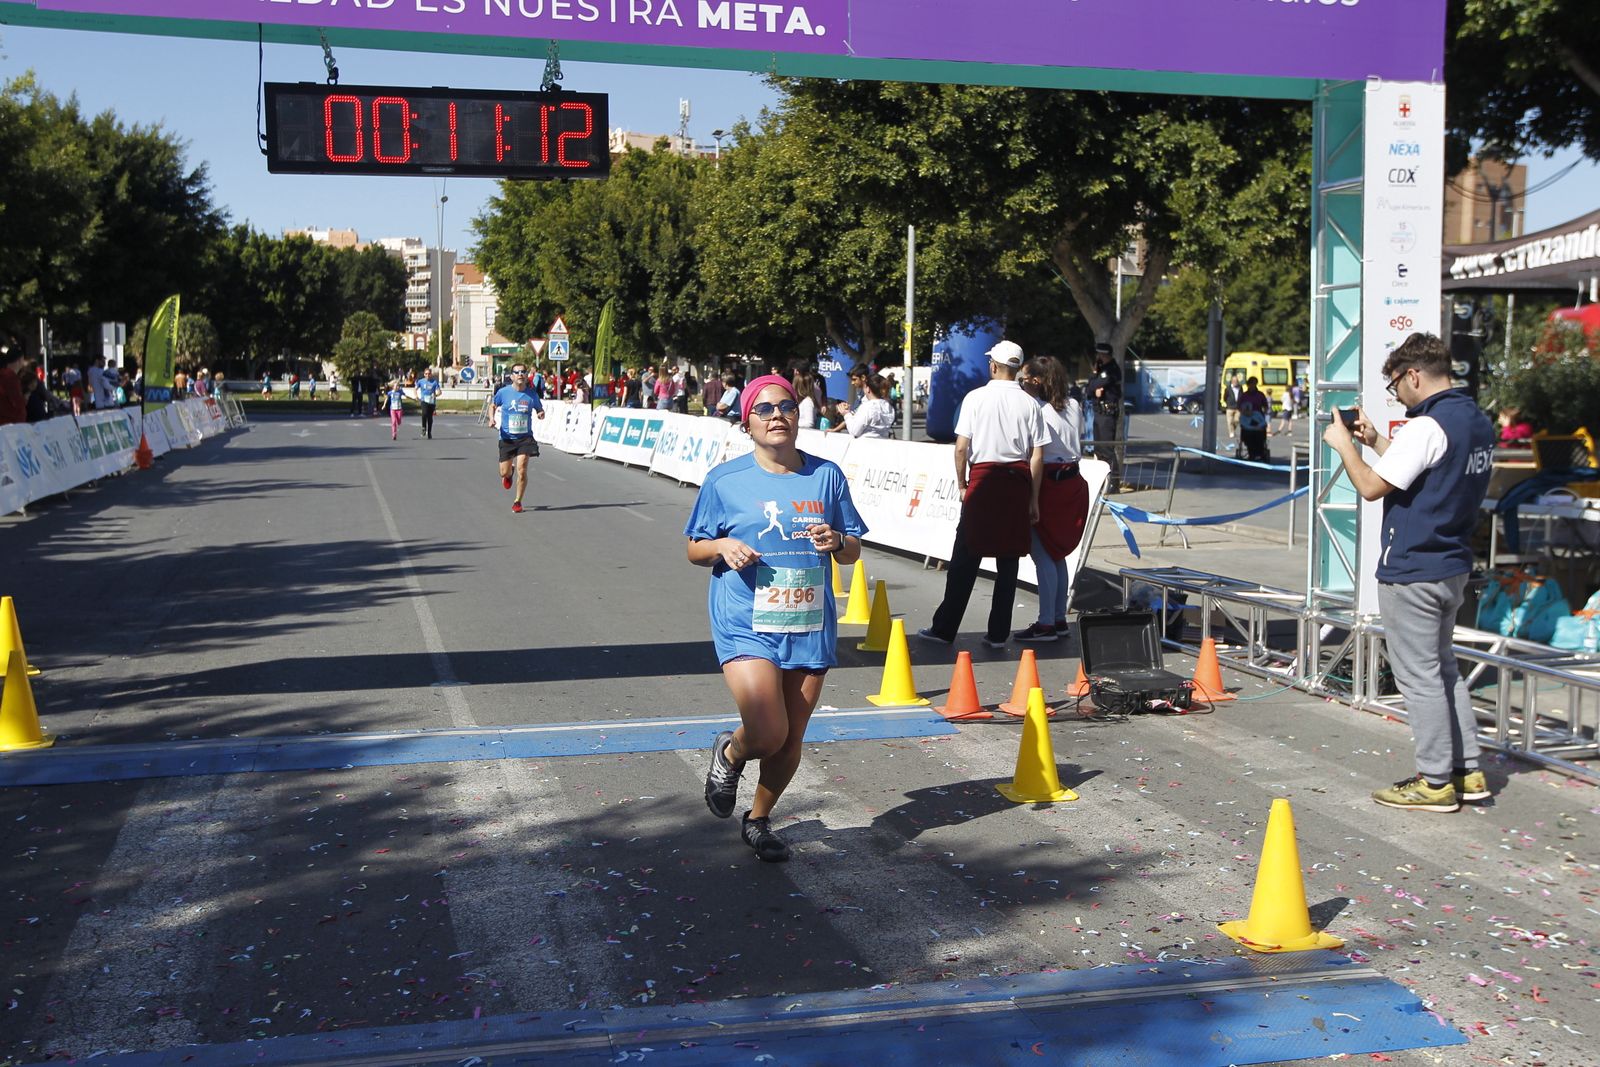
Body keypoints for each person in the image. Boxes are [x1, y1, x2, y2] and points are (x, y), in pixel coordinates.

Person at [686, 373, 867, 863]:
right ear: (747, 422)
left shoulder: (826, 476)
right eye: (764, 409)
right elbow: (694, 547)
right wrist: (721, 545)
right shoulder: (725, 480)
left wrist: (838, 543)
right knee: (767, 731)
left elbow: (851, 549)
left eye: (785, 406)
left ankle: (760, 819)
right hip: (745, 617)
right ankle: (731, 753)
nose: (777, 416)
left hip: (808, 619)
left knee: (791, 739)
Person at [1322, 332, 1495, 813]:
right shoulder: (1474, 421)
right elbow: (1427, 473)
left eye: (1395, 384)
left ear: (1414, 375)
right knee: (1443, 670)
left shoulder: (1427, 426)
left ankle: (1435, 780)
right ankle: (1467, 770)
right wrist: (1376, 440)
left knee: (1418, 678)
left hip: (1414, 566)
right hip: (1452, 562)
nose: (1396, 393)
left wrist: (1343, 446)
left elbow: (1373, 487)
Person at [917, 340, 1046, 649]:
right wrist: (1034, 499)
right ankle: (999, 633)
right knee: (1009, 559)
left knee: (966, 555)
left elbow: (961, 447)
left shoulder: (975, 398)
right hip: (1016, 481)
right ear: (1017, 369)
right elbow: (1037, 456)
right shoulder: (1030, 403)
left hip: (984, 479)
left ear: (993, 366)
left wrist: (962, 484)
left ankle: (945, 628)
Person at [1012, 356, 1089, 642]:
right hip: (1072, 482)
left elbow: (1035, 453)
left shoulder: (1036, 409)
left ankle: (1046, 622)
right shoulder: (1074, 406)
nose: (1022, 382)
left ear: (1037, 381)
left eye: (1026, 378)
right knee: (1057, 554)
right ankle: (1057, 618)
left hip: (1049, 483)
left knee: (1042, 552)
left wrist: (1030, 496)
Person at [491, 364, 546, 514]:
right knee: (504, 473)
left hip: (525, 438)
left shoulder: (532, 394)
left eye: (523, 372)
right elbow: (493, 405)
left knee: (523, 470)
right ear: (512, 376)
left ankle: (518, 501)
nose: (521, 374)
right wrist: (491, 419)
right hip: (507, 438)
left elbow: (540, 409)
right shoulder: (503, 392)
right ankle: (509, 473)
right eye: (517, 372)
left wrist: (541, 414)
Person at [1087, 343, 1123, 489]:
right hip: (1098, 411)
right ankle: (1102, 480)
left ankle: (1114, 482)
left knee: (1107, 448)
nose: (1098, 357)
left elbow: (1100, 383)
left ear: (1104, 354)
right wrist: (1095, 378)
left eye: (1100, 354)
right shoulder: (1100, 369)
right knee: (1099, 448)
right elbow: (1090, 388)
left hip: (1107, 412)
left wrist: (1096, 384)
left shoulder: (1112, 369)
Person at [829, 371, 895, 437]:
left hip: (866, 444)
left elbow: (854, 431)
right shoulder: (888, 407)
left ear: (868, 389)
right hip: (883, 443)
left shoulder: (867, 407)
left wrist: (846, 414)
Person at [1237, 376, 1271, 461]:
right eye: (1251, 384)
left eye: (1254, 384)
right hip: (1247, 418)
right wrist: (1244, 412)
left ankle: (1260, 452)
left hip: (1258, 417)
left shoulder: (1260, 395)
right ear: (1248, 385)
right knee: (1248, 435)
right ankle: (1252, 453)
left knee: (1260, 435)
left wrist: (1265, 412)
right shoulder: (1244, 395)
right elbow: (1239, 406)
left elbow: (1265, 406)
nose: (1252, 386)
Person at [0, 345, 26, 425]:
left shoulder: (3, 374)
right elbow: (17, 403)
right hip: (9, 425)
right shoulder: (10, 378)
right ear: (20, 360)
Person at [415, 367, 441, 439]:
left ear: (431, 374)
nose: (427, 375)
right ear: (424, 374)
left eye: (429, 374)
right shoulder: (421, 381)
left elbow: (439, 392)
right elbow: (415, 389)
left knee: (430, 417)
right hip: (424, 400)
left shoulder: (434, 382)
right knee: (424, 413)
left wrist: (435, 395)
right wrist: (416, 396)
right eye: (426, 374)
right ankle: (424, 427)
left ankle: (429, 432)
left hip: (431, 401)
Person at [1223, 372, 1244, 446]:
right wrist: (1228, 403)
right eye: (1234, 381)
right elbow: (1225, 397)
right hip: (1230, 407)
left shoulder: (1240, 387)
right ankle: (1231, 432)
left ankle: (1233, 430)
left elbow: (1242, 395)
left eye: (1236, 381)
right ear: (1232, 381)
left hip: (1238, 407)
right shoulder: (1228, 388)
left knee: (1237, 420)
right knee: (1229, 421)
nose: (1235, 382)